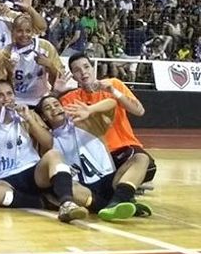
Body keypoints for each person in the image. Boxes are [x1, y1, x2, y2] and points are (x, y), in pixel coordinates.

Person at [0, 81, 87, 223]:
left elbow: (48, 143)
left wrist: (29, 119)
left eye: (9, 94)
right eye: (0, 95)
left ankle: (67, 203)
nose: (6, 99)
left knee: (54, 155)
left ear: (15, 95)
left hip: (33, 172)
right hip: (3, 179)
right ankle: (42, 202)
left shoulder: (27, 114)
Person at [36, 96, 152, 221]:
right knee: (67, 188)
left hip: (110, 180)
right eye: (48, 108)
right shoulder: (47, 140)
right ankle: (113, 205)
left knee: (141, 158)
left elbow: (112, 103)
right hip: (84, 189)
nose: (54, 109)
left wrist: (90, 109)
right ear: (43, 117)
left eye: (56, 104)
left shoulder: (87, 122)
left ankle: (117, 200)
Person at [59, 53, 157, 196]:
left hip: (123, 147)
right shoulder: (70, 98)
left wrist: (113, 91)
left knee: (148, 166)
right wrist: (55, 92)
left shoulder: (114, 84)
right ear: (74, 76)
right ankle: (126, 185)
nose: (83, 72)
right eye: (77, 70)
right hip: (96, 155)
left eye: (86, 67)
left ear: (93, 68)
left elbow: (139, 111)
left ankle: (122, 183)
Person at [3, 14, 63, 106]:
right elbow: (1, 84)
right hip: (15, 100)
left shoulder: (45, 47)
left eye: (28, 31)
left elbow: (59, 79)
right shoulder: (6, 52)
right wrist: (9, 71)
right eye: (19, 31)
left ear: (33, 32)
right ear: (13, 32)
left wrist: (50, 65)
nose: (24, 35)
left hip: (40, 100)